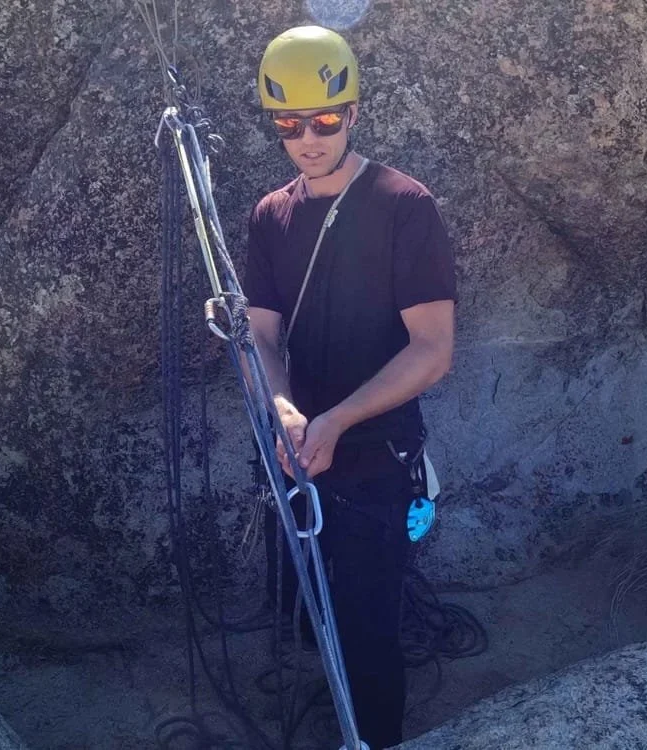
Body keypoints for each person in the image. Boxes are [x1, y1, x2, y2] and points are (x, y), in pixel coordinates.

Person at [243, 25, 456, 749]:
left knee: (370, 635)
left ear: (355, 112)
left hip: (376, 457)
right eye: (290, 124)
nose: (309, 137)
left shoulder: (404, 206)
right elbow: (261, 338)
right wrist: (285, 411)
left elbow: (433, 350)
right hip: (300, 451)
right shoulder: (271, 217)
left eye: (326, 119)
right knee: (306, 610)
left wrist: (335, 421)